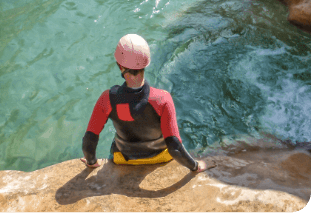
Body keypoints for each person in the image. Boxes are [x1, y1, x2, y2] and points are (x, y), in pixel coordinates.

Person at [81, 34, 216, 172]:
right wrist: (196, 166)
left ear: (120, 66)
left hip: (123, 159)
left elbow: (89, 139)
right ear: (146, 63)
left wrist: (91, 162)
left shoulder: (107, 99)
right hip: (161, 157)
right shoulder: (162, 99)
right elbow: (174, 145)